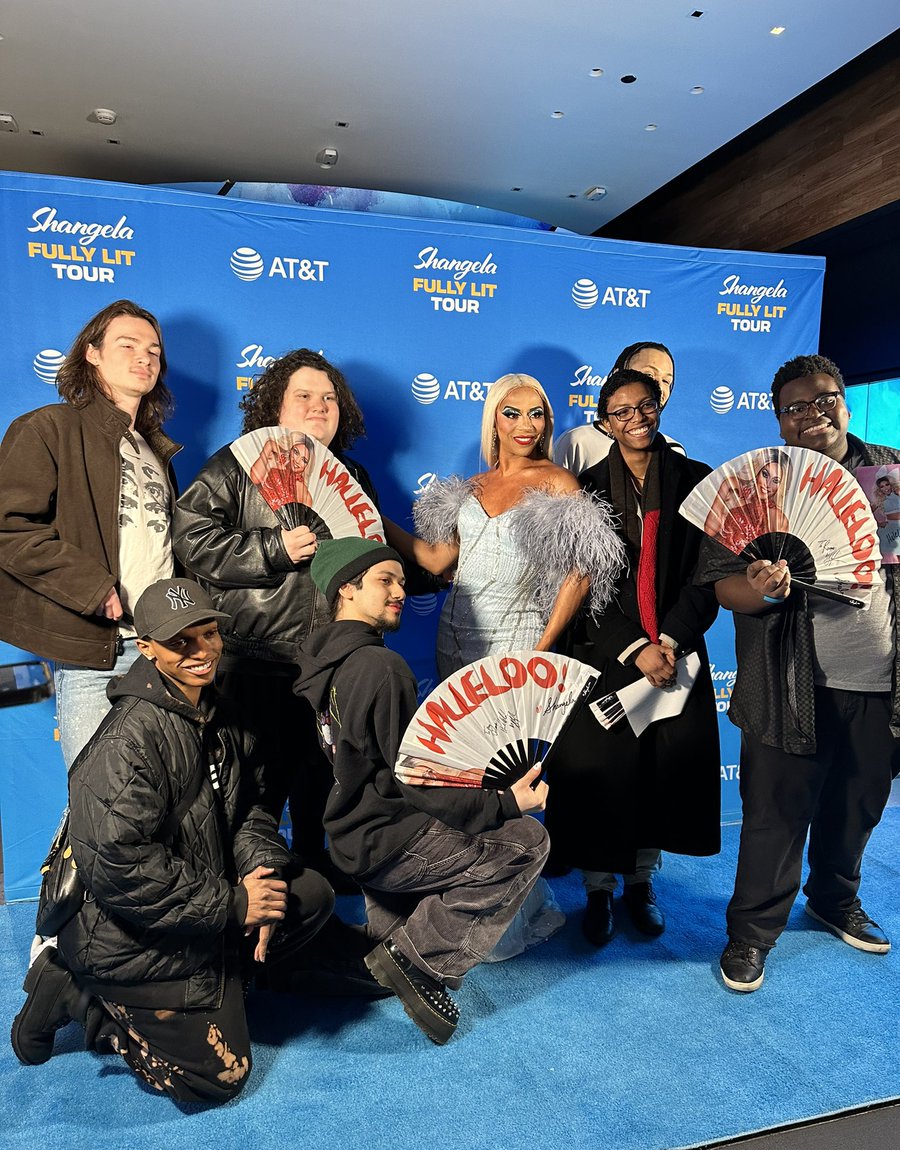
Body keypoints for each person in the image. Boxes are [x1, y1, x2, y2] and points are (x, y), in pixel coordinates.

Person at [10, 578, 335, 1103]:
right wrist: (234, 904)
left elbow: (249, 805)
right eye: (181, 642)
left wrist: (257, 872)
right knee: (218, 1078)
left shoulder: (222, 713)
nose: (202, 651)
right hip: (125, 933)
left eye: (209, 634)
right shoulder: (126, 741)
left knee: (306, 895)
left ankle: (227, 981)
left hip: (199, 904)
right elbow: (119, 866)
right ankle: (75, 995)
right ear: (147, 650)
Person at [696, 354, 900, 992]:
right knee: (774, 816)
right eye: (795, 407)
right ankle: (752, 934)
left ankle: (834, 898)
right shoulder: (759, 487)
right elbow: (719, 585)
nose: (812, 415)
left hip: (882, 679)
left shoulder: (890, 470)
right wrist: (763, 589)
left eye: (825, 399)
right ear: (780, 421)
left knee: (859, 805)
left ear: (844, 401)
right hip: (789, 684)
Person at [295, 538, 551, 1045]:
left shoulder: (322, 661)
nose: (399, 592)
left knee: (379, 950)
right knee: (526, 843)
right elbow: (419, 781)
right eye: (384, 581)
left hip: (351, 835)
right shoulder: (381, 668)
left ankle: (384, 947)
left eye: (402, 582)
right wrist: (505, 803)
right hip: (392, 838)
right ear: (346, 589)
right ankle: (415, 963)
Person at [173, 349, 375, 868]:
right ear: (274, 408)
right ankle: (254, 899)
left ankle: (316, 873)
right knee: (254, 790)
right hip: (258, 660)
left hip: (333, 659)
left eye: (329, 397)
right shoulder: (238, 464)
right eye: (303, 396)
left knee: (325, 779)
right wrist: (273, 549)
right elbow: (191, 538)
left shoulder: (351, 476)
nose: (319, 406)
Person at [546, 369, 721, 945]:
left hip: (676, 651)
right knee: (604, 775)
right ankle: (597, 889)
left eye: (645, 406)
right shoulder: (586, 490)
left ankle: (642, 883)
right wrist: (634, 645)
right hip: (607, 652)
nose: (636, 419)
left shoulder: (698, 481)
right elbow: (582, 585)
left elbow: (708, 575)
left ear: (660, 406)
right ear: (605, 421)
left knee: (658, 775)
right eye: (621, 412)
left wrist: (667, 640)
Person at [0, 300, 180, 768]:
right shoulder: (48, 428)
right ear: (92, 353)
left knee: (167, 809)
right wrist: (92, 587)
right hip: (97, 652)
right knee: (99, 811)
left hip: (164, 650)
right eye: (128, 345)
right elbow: (8, 528)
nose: (145, 358)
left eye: (154, 351)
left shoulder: (157, 451)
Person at [384, 373, 625, 679]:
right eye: (512, 413)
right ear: (494, 420)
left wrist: (542, 648)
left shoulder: (557, 481)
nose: (525, 425)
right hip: (451, 639)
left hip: (519, 640)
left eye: (535, 414)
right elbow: (436, 559)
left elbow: (580, 573)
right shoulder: (473, 485)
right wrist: (376, 517)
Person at [554, 341, 684, 476]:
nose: (659, 387)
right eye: (649, 375)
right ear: (618, 374)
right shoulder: (576, 441)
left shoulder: (673, 451)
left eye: (666, 381)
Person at [703, 447, 793, 556]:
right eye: (765, 474)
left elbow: (774, 557)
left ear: (782, 485)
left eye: (775, 481)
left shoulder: (777, 517)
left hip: (747, 569)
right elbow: (709, 530)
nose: (767, 485)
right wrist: (726, 490)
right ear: (756, 471)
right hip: (714, 557)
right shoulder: (732, 487)